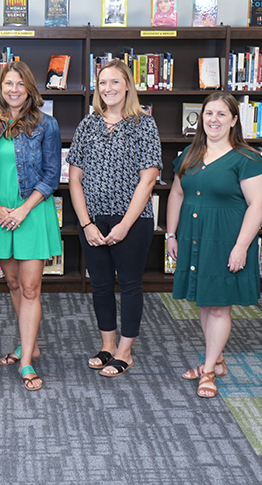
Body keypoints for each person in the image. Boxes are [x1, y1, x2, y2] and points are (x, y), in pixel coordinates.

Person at [167, 92, 262, 398]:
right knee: (204, 301)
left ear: (234, 120)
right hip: (194, 237)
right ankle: (218, 359)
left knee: (220, 307)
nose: (214, 120)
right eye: (209, 113)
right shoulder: (189, 154)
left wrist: (241, 247)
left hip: (227, 240)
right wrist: (171, 234)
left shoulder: (249, 160)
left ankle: (209, 368)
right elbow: (176, 195)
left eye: (222, 114)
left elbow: (257, 204)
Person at [68, 59, 161, 378]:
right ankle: (107, 344)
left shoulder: (144, 123)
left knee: (131, 284)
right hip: (92, 220)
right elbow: (75, 178)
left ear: (127, 86)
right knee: (102, 285)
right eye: (102, 83)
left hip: (132, 221)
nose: (108, 88)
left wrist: (124, 225)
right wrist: (85, 223)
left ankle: (125, 351)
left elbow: (148, 179)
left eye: (115, 82)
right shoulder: (87, 125)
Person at [0, 61, 62, 391]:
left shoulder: (46, 124)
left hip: (32, 212)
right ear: (0, 88)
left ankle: (26, 360)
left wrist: (23, 210)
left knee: (30, 288)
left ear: (29, 89)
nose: (13, 89)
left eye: (20, 84)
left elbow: (51, 175)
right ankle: (30, 344)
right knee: (12, 284)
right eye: (7, 84)